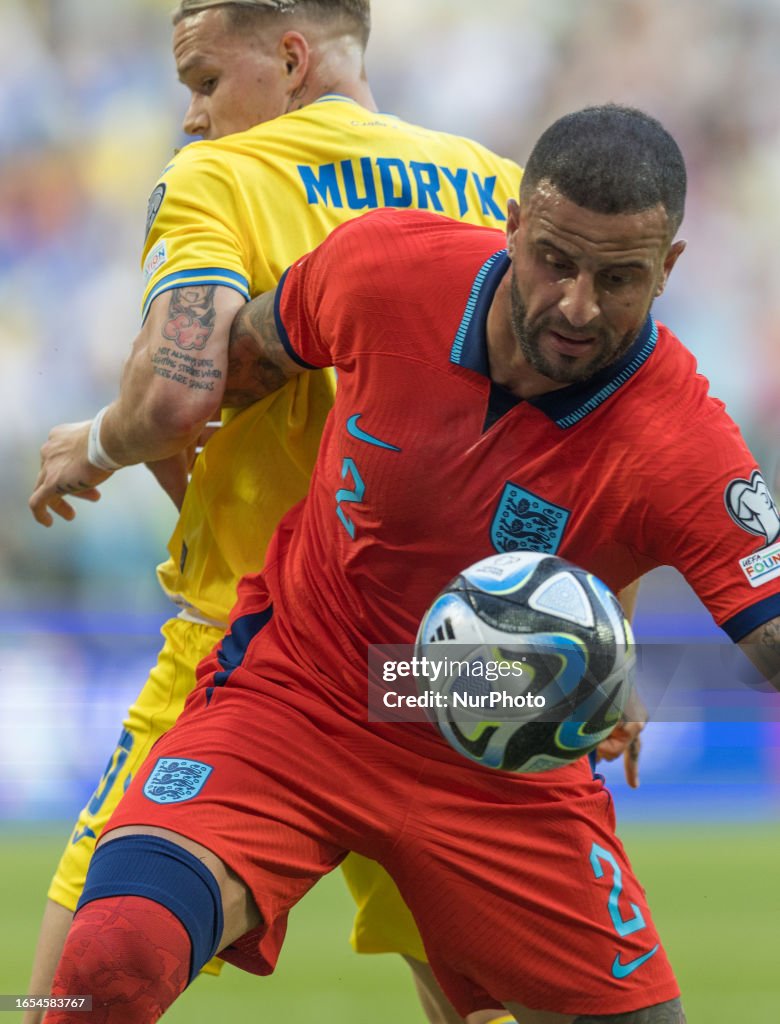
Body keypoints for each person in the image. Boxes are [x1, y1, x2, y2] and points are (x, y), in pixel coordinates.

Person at [40, 104, 780, 1024]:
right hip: (299, 696)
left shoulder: (684, 442)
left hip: (501, 768)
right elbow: (241, 361)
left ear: (669, 269)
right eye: (554, 260)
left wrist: (607, 644)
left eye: (619, 278)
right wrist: (118, 441)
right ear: (511, 223)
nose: (578, 305)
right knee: (108, 961)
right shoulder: (388, 269)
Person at [26, 2, 531, 1023]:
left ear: (291, 60)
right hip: (446, 658)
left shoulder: (225, 177)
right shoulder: (503, 187)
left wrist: (98, 442)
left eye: (205, 83)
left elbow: (177, 395)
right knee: (484, 1001)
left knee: (82, 987)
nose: (192, 118)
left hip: (256, 651)